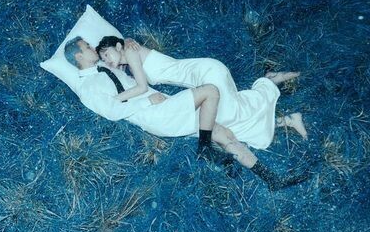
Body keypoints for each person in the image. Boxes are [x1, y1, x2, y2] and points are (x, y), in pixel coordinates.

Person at [63, 36, 309, 190]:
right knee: (210, 91)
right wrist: (147, 101)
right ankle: (204, 149)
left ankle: (272, 179)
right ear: (78, 55)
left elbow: (126, 56)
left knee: (224, 133)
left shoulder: (106, 68)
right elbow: (112, 110)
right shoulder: (88, 87)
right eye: (87, 46)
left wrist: (127, 42)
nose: (92, 47)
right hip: (155, 113)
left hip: (164, 106)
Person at [94, 35, 307, 149]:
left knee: (224, 116)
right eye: (103, 59)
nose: (107, 61)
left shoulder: (130, 52)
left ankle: (268, 84)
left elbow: (141, 88)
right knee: (225, 116)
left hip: (206, 72)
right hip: (205, 71)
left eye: (107, 54)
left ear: (119, 46)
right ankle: (286, 119)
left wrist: (114, 100)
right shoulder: (129, 56)